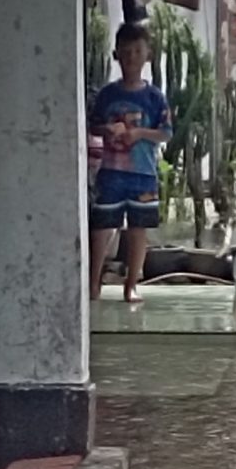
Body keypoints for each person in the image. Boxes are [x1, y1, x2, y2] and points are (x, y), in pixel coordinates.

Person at [88, 23, 171, 303]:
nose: (132, 57)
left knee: (138, 230)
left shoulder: (155, 97)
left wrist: (139, 134)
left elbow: (166, 133)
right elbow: (93, 126)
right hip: (110, 173)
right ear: (116, 55)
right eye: (126, 52)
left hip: (144, 175)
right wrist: (107, 130)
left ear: (148, 55)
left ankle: (132, 284)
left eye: (137, 51)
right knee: (101, 227)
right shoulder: (107, 95)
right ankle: (93, 282)